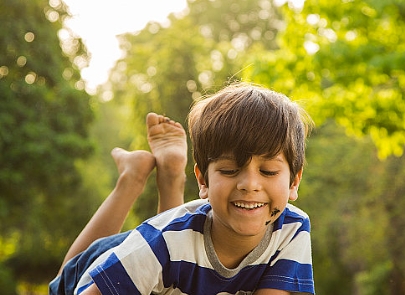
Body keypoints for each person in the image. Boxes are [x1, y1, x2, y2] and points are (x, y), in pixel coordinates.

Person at [50, 83, 315, 295]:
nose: (249, 185)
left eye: (268, 171)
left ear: (294, 182)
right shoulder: (162, 241)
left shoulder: (292, 229)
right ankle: (131, 179)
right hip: (110, 271)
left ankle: (168, 171)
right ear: (203, 181)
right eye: (229, 170)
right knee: (67, 276)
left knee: (174, 249)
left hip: (165, 264)